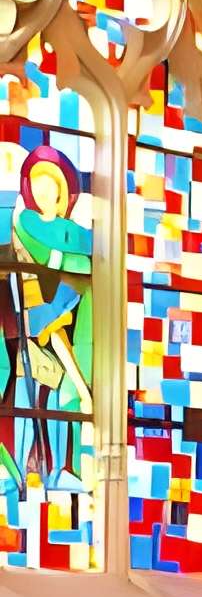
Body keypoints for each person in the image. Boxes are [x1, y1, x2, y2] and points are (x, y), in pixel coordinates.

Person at [11, 142, 90, 498]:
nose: (44, 191)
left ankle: (60, 469)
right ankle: (20, 472)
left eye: (52, 185)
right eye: (38, 184)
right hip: (25, 316)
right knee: (25, 398)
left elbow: (77, 267)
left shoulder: (75, 243)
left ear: (62, 193)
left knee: (62, 396)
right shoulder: (25, 226)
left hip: (59, 322)